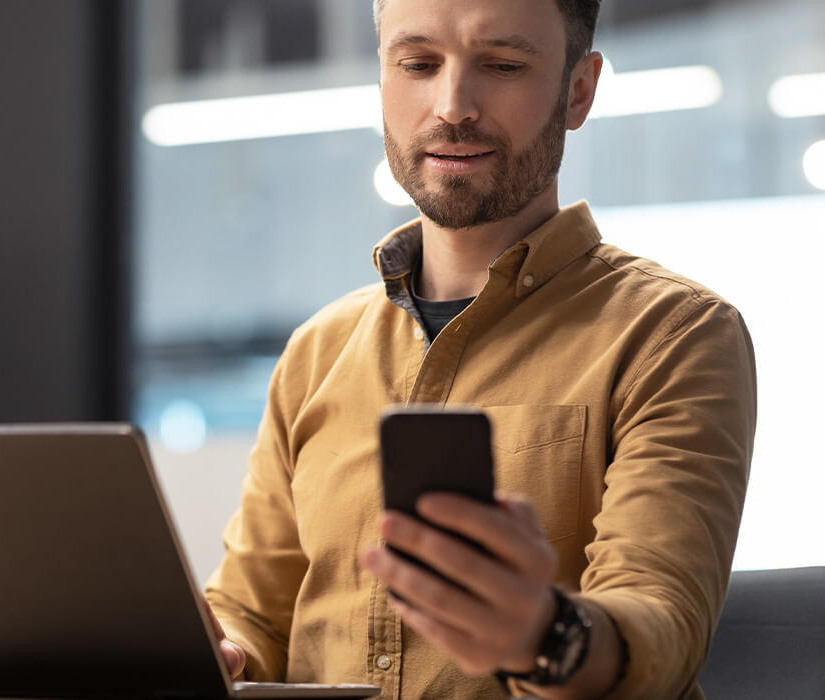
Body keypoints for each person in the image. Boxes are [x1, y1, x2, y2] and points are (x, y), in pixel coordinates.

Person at [202, 0, 757, 698]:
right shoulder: (318, 350)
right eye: (417, 64)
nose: (452, 104)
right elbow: (253, 611)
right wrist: (217, 648)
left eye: (501, 64)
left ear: (577, 90)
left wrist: (545, 635)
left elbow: (661, 622)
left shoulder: (674, 334)